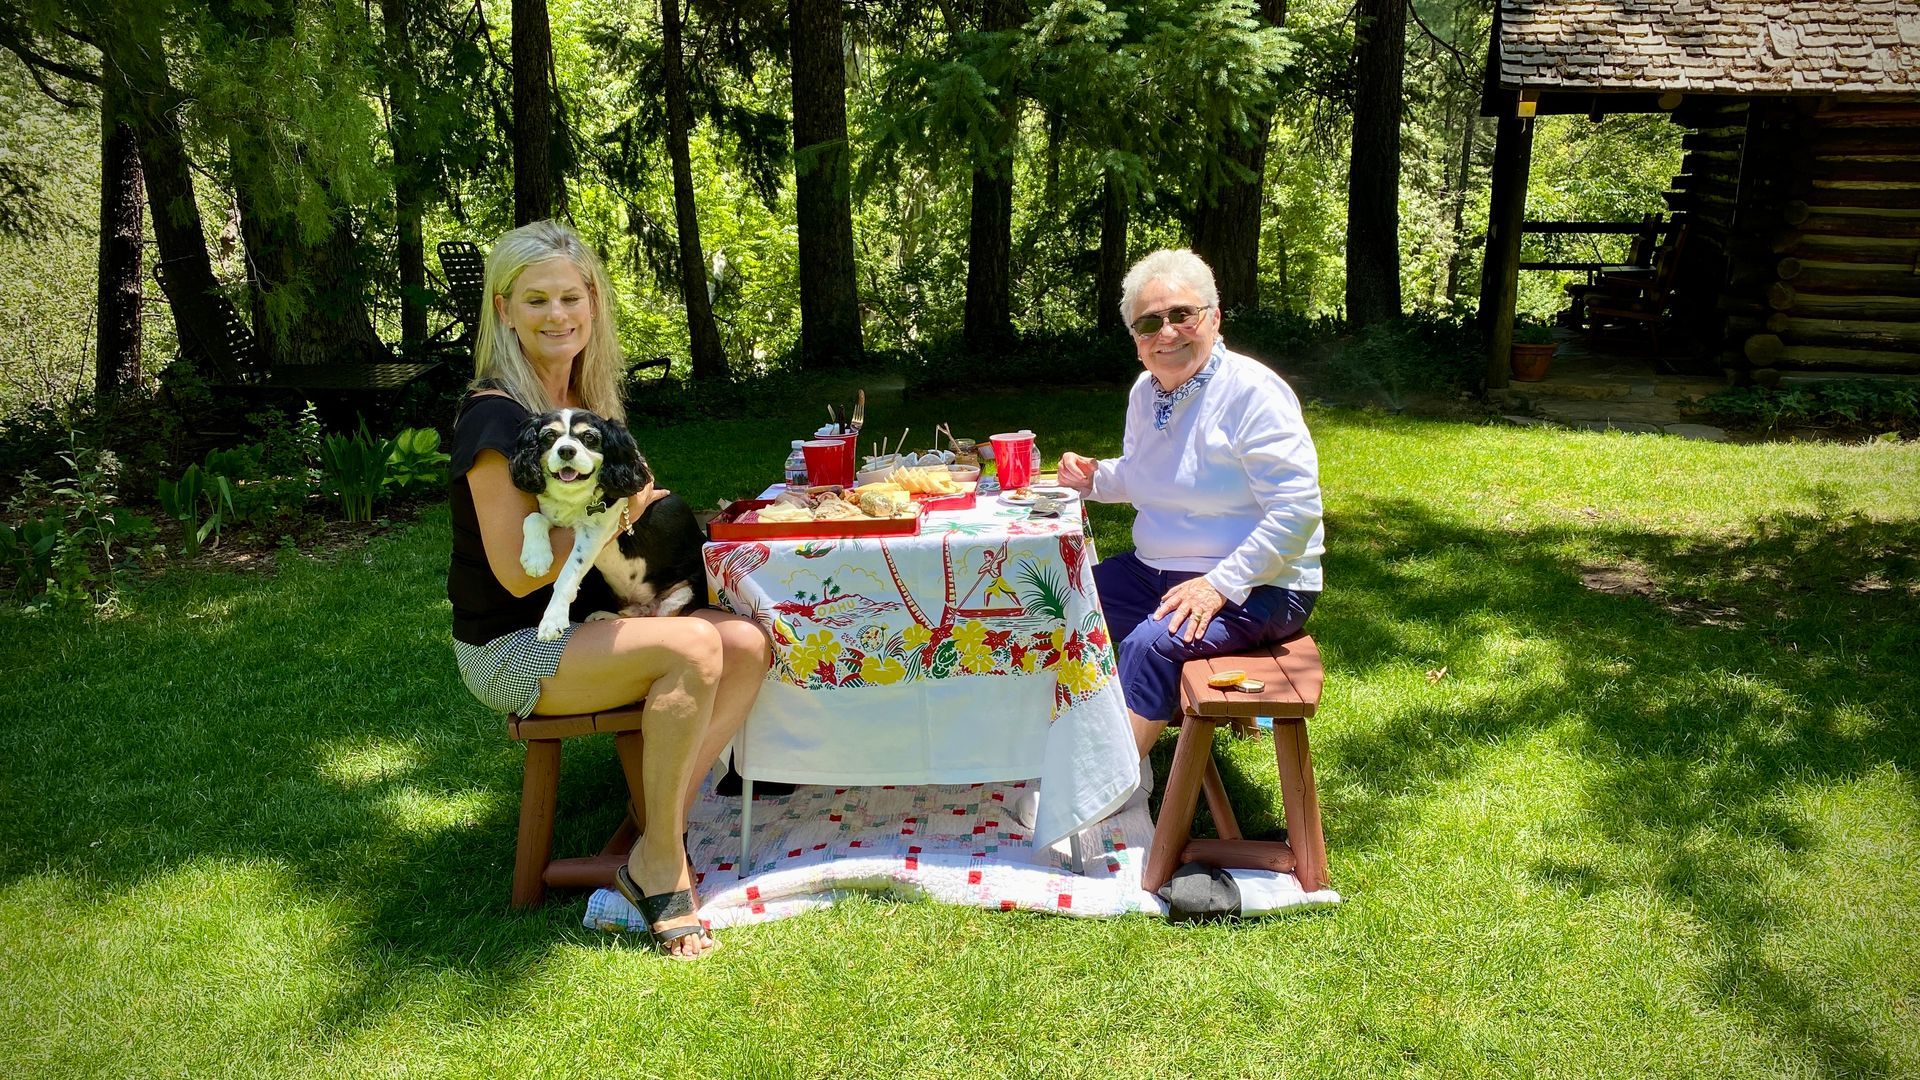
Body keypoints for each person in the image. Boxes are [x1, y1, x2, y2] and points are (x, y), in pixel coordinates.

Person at [447, 220, 769, 959]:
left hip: (586, 621)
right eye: (536, 301)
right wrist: (619, 507)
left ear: (592, 303)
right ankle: (662, 868)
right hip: (513, 646)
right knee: (691, 647)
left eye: (571, 296)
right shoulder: (494, 417)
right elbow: (516, 572)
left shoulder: (583, 402)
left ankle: (657, 839)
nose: (558, 315)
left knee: (747, 643)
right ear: (503, 310)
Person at [1057, 248, 1323, 778]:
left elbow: (1297, 512)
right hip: (1155, 568)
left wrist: (1218, 584)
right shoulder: (1145, 391)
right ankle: (1069, 745)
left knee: (1151, 646)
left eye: (1182, 314)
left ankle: (1099, 788)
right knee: (1061, 604)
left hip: (1262, 583)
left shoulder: (1253, 392)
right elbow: (1148, 474)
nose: (1167, 332)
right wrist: (1094, 480)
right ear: (1136, 340)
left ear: (1215, 317)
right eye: (1150, 322)